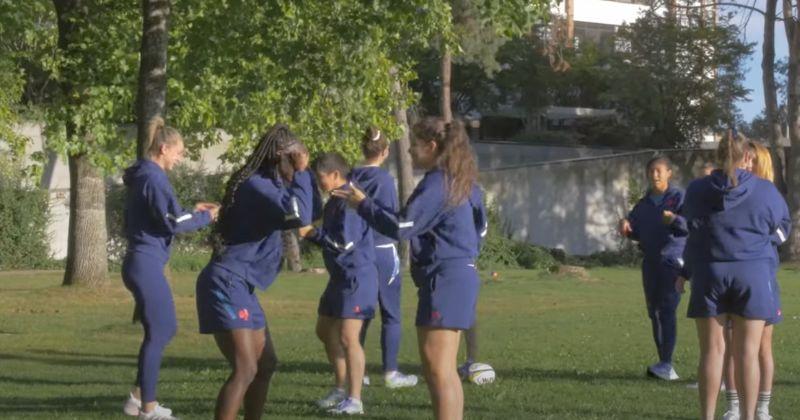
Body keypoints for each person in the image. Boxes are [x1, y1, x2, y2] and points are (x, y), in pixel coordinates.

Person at [334, 118, 487, 420]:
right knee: (444, 371)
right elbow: (481, 229)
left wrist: (363, 204)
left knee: (437, 369)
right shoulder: (464, 181)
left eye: (413, 146)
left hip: (444, 279)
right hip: (460, 276)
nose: (409, 153)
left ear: (431, 147)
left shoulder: (437, 182)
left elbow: (402, 226)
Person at [195, 124, 317, 420]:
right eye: (295, 158)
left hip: (242, 285)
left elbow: (309, 211)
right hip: (225, 281)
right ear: (280, 156)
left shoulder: (270, 184)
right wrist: (301, 173)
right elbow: (299, 216)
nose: (299, 163)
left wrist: (304, 175)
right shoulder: (258, 186)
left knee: (265, 364)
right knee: (246, 368)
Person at [682, 131, 789, 420]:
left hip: (711, 272)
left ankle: (708, 416)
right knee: (748, 353)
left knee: (712, 353)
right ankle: (749, 417)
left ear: (716, 156)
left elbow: (689, 224)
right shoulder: (767, 191)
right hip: (752, 274)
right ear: (747, 157)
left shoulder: (697, 189)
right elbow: (781, 226)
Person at [121, 117, 219, 420]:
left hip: (144, 261)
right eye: (179, 153)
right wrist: (208, 217)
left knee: (163, 328)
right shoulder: (153, 178)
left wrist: (194, 211)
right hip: (145, 262)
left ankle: (138, 399)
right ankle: (147, 410)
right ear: (164, 148)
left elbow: (167, 215)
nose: (180, 159)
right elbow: (174, 224)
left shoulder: (147, 175)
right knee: (161, 330)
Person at [299, 152, 378, 415]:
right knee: (324, 331)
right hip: (339, 277)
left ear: (335, 175)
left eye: (321, 178)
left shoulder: (349, 199)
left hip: (357, 276)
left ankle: (354, 399)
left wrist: (312, 234)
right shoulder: (334, 198)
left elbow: (345, 243)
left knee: (348, 337)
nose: (320, 182)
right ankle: (341, 387)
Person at [720, 141, 785, 420]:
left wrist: (761, 239)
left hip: (762, 277)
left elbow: (783, 230)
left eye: (750, 160)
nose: (745, 164)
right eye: (742, 159)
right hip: (731, 278)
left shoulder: (768, 193)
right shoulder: (727, 191)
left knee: (761, 347)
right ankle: (733, 406)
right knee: (731, 345)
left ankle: (762, 408)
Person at [350, 127, 418, 389]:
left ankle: (360, 371)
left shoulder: (351, 177)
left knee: (361, 312)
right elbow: (390, 217)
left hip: (358, 250)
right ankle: (390, 372)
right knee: (391, 313)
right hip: (382, 249)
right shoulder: (384, 180)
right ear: (386, 152)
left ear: (362, 148)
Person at [619, 156, 686, 380]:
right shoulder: (643, 204)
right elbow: (637, 230)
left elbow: (692, 225)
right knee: (654, 313)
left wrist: (675, 220)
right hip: (651, 263)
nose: (654, 175)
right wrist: (626, 227)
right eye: (651, 171)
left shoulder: (679, 198)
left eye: (659, 171)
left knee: (667, 310)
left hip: (672, 262)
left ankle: (667, 364)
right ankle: (663, 363)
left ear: (669, 173)